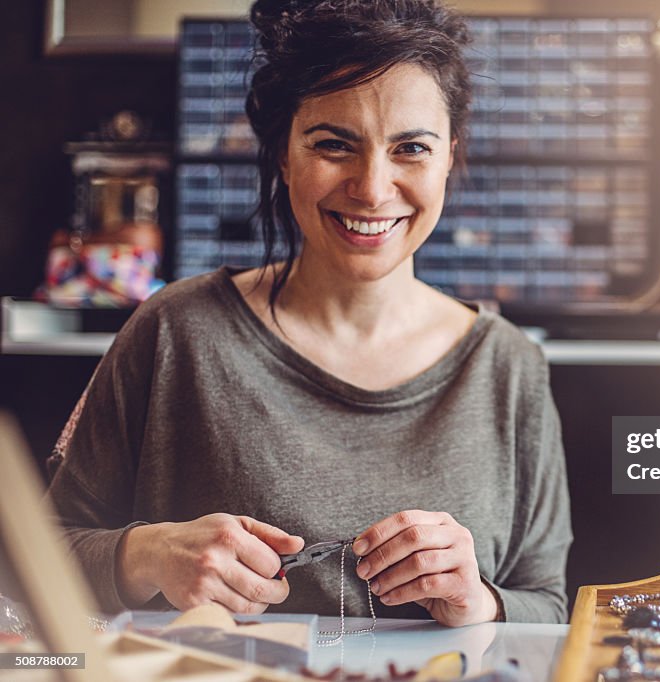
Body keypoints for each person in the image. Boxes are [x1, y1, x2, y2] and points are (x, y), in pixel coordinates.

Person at [45, 0, 572, 626]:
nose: (373, 188)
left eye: (411, 148)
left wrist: (479, 600)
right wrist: (148, 555)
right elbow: (31, 564)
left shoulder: (511, 366)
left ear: (449, 157)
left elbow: (549, 607)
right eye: (334, 145)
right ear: (282, 153)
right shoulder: (174, 332)